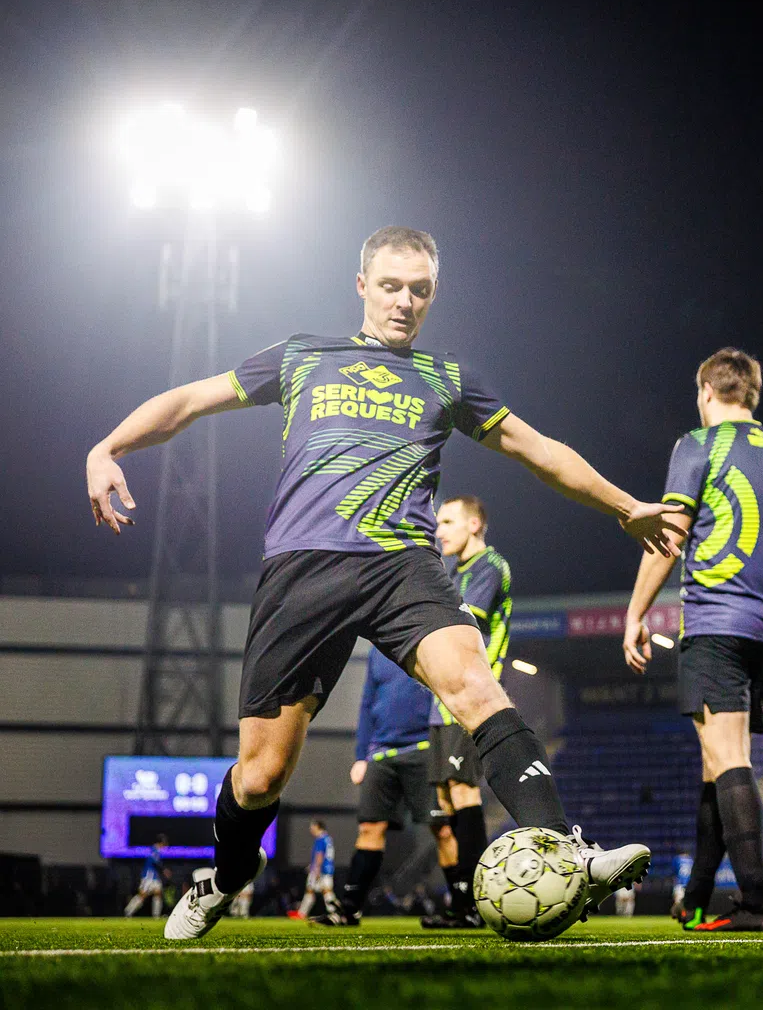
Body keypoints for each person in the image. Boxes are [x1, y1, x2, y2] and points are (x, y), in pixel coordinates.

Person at [86, 226, 674, 941]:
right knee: (261, 776)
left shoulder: (447, 378)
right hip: (303, 568)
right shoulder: (303, 356)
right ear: (362, 285)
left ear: (433, 294)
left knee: (476, 686)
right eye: (391, 286)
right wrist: (109, 446)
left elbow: (539, 449)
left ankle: (564, 849)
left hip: (403, 566)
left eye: (419, 290)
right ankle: (225, 875)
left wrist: (625, 505)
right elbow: (188, 401)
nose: (404, 302)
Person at [622, 348, 763, 932]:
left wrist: (636, 612)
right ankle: (695, 897)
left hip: (715, 625)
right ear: (752, 393)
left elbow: (670, 536)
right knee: (716, 765)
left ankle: (758, 902)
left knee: (728, 758)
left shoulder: (697, 445)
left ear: (706, 391)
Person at [420, 494, 512, 929]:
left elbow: (458, 623)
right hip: (441, 704)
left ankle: (477, 903)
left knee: (463, 793)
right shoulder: (455, 571)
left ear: (474, 524)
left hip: (471, 700)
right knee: (444, 805)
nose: (439, 531)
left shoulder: (489, 567)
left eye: (448, 522)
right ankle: (460, 903)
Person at [313, 649, 435, 925]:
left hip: (423, 747)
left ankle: (464, 908)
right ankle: (349, 909)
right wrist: (360, 756)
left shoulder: (428, 639)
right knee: (369, 829)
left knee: (442, 828)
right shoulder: (377, 653)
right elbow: (367, 703)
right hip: (380, 753)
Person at [292, 820, 336, 919]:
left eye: (312, 827)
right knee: (312, 891)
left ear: (318, 827)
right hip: (327, 869)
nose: (311, 829)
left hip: (321, 870)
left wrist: (316, 869)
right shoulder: (328, 839)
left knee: (326, 892)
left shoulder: (320, 839)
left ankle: (336, 912)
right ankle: (302, 913)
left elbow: (319, 855)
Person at [124, 835, 169, 917]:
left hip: (155, 877)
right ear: (161, 843)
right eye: (164, 844)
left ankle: (156, 915)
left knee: (158, 893)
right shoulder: (154, 850)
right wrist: (164, 870)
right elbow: (155, 862)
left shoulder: (157, 851)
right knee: (142, 895)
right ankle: (128, 911)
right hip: (148, 876)